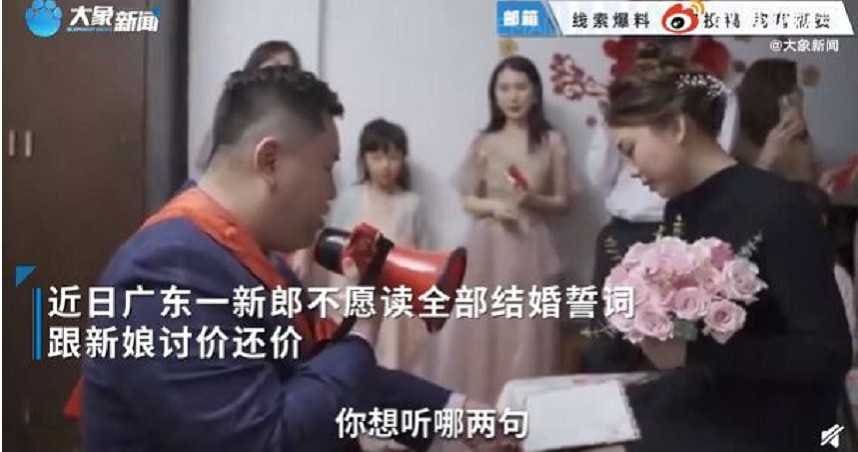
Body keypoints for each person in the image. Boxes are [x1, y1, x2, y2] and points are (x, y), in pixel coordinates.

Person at [82, 66, 505, 452]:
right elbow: (268, 441)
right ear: (269, 161)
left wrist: (454, 412)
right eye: (326, 167)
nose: (333, 192)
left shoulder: (252, 257)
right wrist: (360, 330)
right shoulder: (167, 273)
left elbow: (324, 378)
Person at [602, 59, 851, 451]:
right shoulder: (680, 208)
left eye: (630, 150)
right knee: (604, 420)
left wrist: (693, 351)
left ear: (676, 128)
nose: (631, 170)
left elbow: (828, 354)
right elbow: (700, 330)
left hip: (774, 422)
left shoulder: (779, 206)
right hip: (714, 393)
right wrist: (656, 324)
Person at [419, 55, 575, 405]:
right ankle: (481, 411)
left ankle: (522, 413)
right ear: (494, 94)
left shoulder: (552, 141)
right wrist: (494, 206)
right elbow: (468, 199)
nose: (512, 96)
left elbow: (565, 202)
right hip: (488, 246)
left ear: (535, 93)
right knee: (484, 327)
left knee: (527, 328)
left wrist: (532, 199)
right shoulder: (484, 141)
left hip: (532, 245)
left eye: (520, 87)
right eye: (504, 88)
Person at [583, 40, 740, 373]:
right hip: (622, 231)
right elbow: (598, 174)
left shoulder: (713, 95)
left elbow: (712, 162)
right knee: (607, 343)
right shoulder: (623, 102)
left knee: (681, 333)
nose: (633, 169)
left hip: (682, 229)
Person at [190, 40, 303, 179]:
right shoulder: (230, 117)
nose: (278, 79)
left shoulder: (303, 127)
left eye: (286, 72)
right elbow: (203, 172)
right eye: (270, 70)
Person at [734, 58, 818, 184]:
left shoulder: (798, 138)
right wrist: (765, 161)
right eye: (794, 90)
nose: (800, 96)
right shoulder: (738, 141)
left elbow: (805, 184)